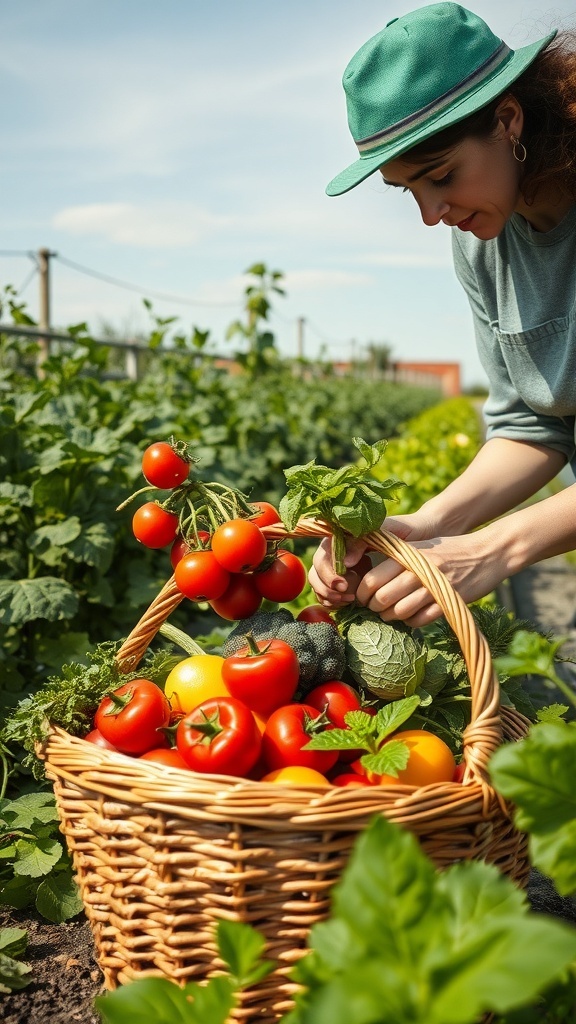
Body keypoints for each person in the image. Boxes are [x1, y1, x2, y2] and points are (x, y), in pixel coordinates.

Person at [309, 2, 576, 626]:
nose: (433, 214)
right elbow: (534, 428)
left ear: (508, 120)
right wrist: (428, 524)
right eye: (410, 191)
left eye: (443, 176)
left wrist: (494, 547)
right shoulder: (484, 246)